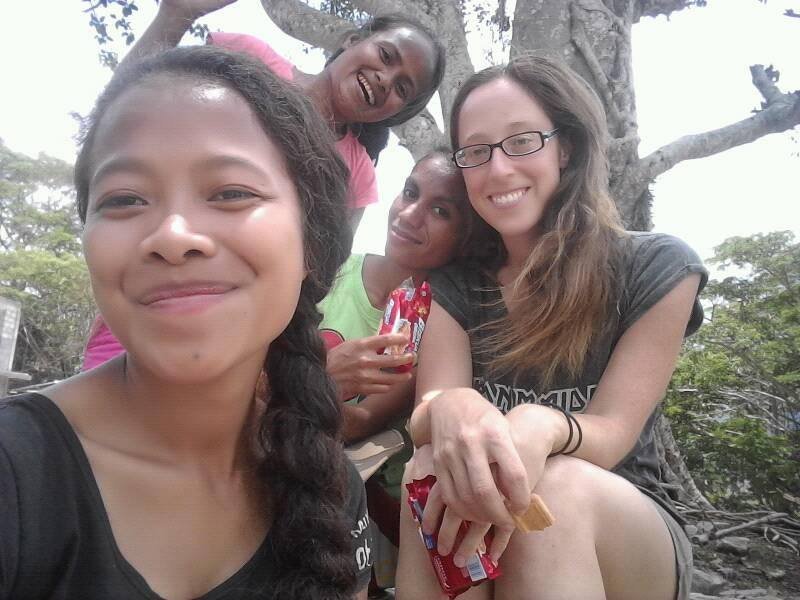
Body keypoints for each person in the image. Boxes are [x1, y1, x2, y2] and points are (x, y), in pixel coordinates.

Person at [0, 46, 371, 600]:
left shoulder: (329, 487)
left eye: (230, 193)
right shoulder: (15, 473)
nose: (173, 235)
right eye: (124, 199)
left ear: (310, 244)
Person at [395, 55, 708, 600]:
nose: (498, 170)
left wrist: (546, 425)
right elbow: (430, 409)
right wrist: (451, 405)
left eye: (522, 141)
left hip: (623, 526)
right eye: (476, 151)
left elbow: (611, 432)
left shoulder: (655, 267)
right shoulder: (456, 286)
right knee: (432, 467)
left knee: (556, 488)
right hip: (496, 523)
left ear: (567, 147)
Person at [124, 0, 446, 231]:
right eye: (386, 55)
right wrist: (175, 15)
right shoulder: (247, 57)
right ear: (353, 40)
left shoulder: (358, 175)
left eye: (403, 88)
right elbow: (128, 115)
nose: (385, 79)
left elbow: (323, 268)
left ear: (398, 112)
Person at [319, 150, 472, 593]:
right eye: (410, 192)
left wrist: (310, 384)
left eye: (440, 211)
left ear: (465, 238)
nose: (410, 214)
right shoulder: (331, 273)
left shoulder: (435, 323)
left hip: (362, 509)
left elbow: (364, 422)